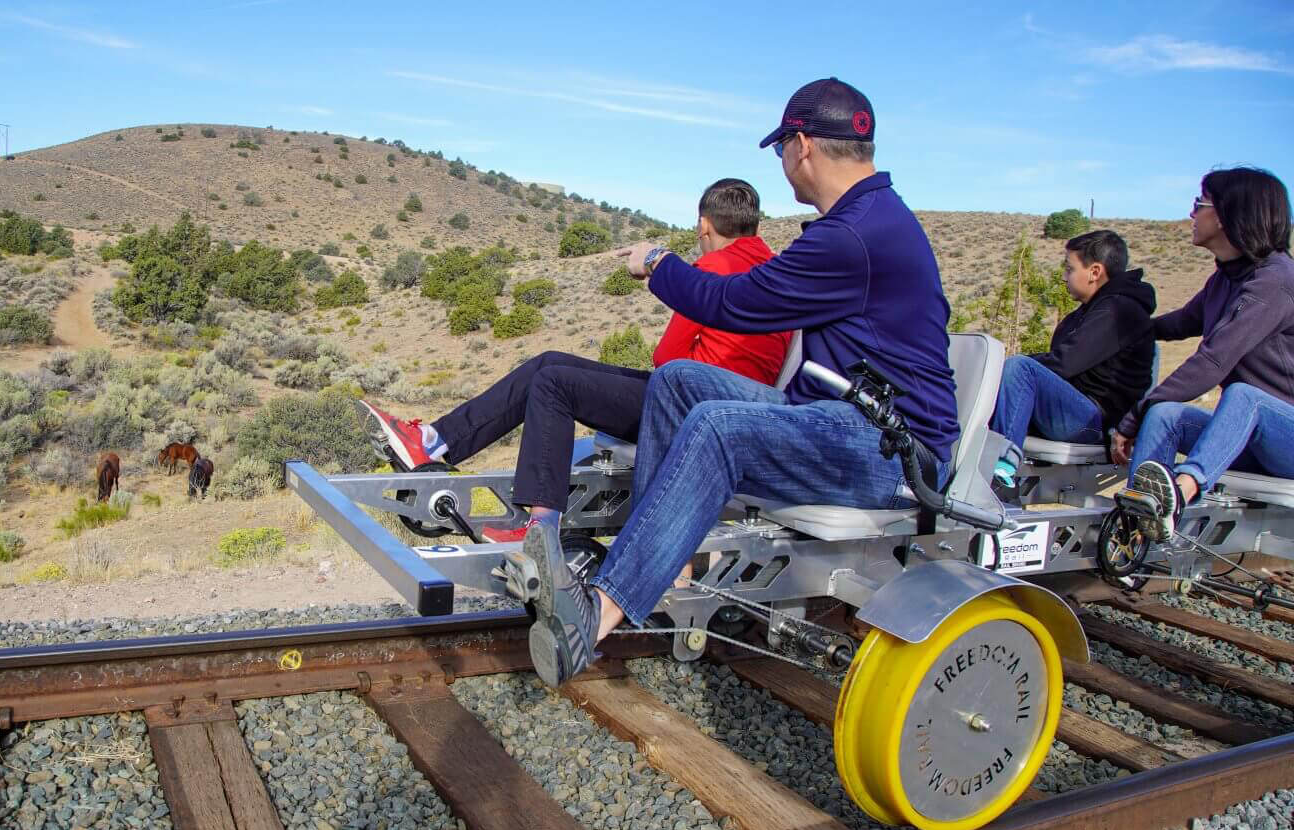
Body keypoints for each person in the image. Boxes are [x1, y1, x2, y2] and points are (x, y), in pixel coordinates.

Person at [522, 77, 960, 687]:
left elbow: (733, 304)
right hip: (839, 417)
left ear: (801, 145)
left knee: (718, 428)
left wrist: (658, 264)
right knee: (679, 382)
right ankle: (660, 562)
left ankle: (595, 615)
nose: (782, 163)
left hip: (890, 450)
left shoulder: (857, 235)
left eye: (781, 148)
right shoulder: (864, 222)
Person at [360, 179, 791, 542]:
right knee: (549, 361)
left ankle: (541, 526)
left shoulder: (711, 268)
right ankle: (435, 440)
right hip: (735, 409)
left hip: (688, 410)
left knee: (554, 383)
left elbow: (668, 357)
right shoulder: (775, 270)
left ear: (704, 224)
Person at [1113, 167, 1294, 541]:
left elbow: (1214, 360)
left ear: (1230, 214)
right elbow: (1179, 323)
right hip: (1248, 438)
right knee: (1165, 414)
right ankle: (1138, 536)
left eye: (1200, 203)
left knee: (1245, 397)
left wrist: (1132, 417)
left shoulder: (1276, 280)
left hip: (1284, 439)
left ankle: (1180, 492)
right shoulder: (1225, 279)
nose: (1192, 213)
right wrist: (1112, 322)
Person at [989, 230, 1156, 487]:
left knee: (1019, 368)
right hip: (1075, 411)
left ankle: (1000, 465)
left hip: (1096, 423)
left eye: (1069, 268)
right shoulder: (1085, 314)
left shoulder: (1118, 311)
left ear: (1095, 272)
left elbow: (1064, 363)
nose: (1064, 276)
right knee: (997, 381)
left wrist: (1005, 365)